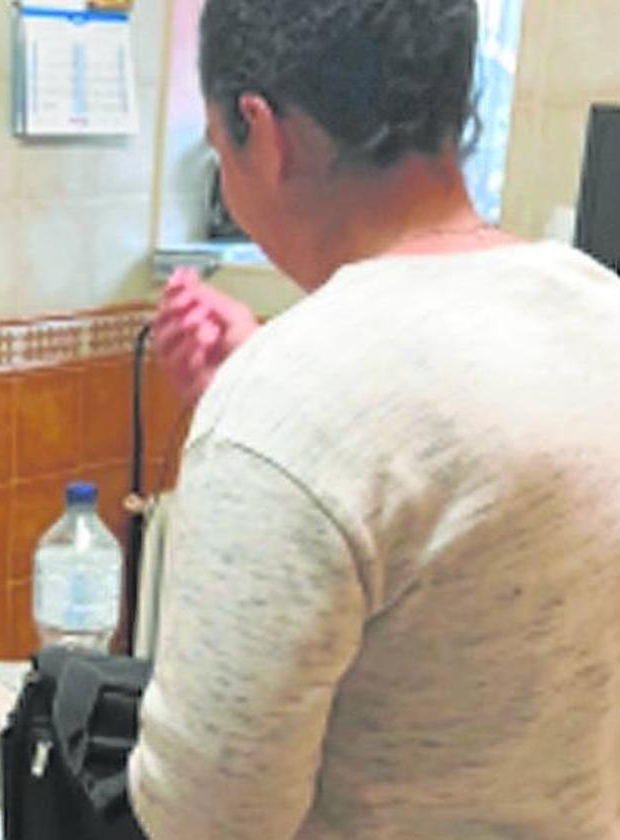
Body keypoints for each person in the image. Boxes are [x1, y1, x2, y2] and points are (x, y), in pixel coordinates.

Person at [128, 0, 620, 837]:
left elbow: (210, 818)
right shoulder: (599, 312)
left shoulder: (287, 408)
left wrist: (269, 405)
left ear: (263, 131)